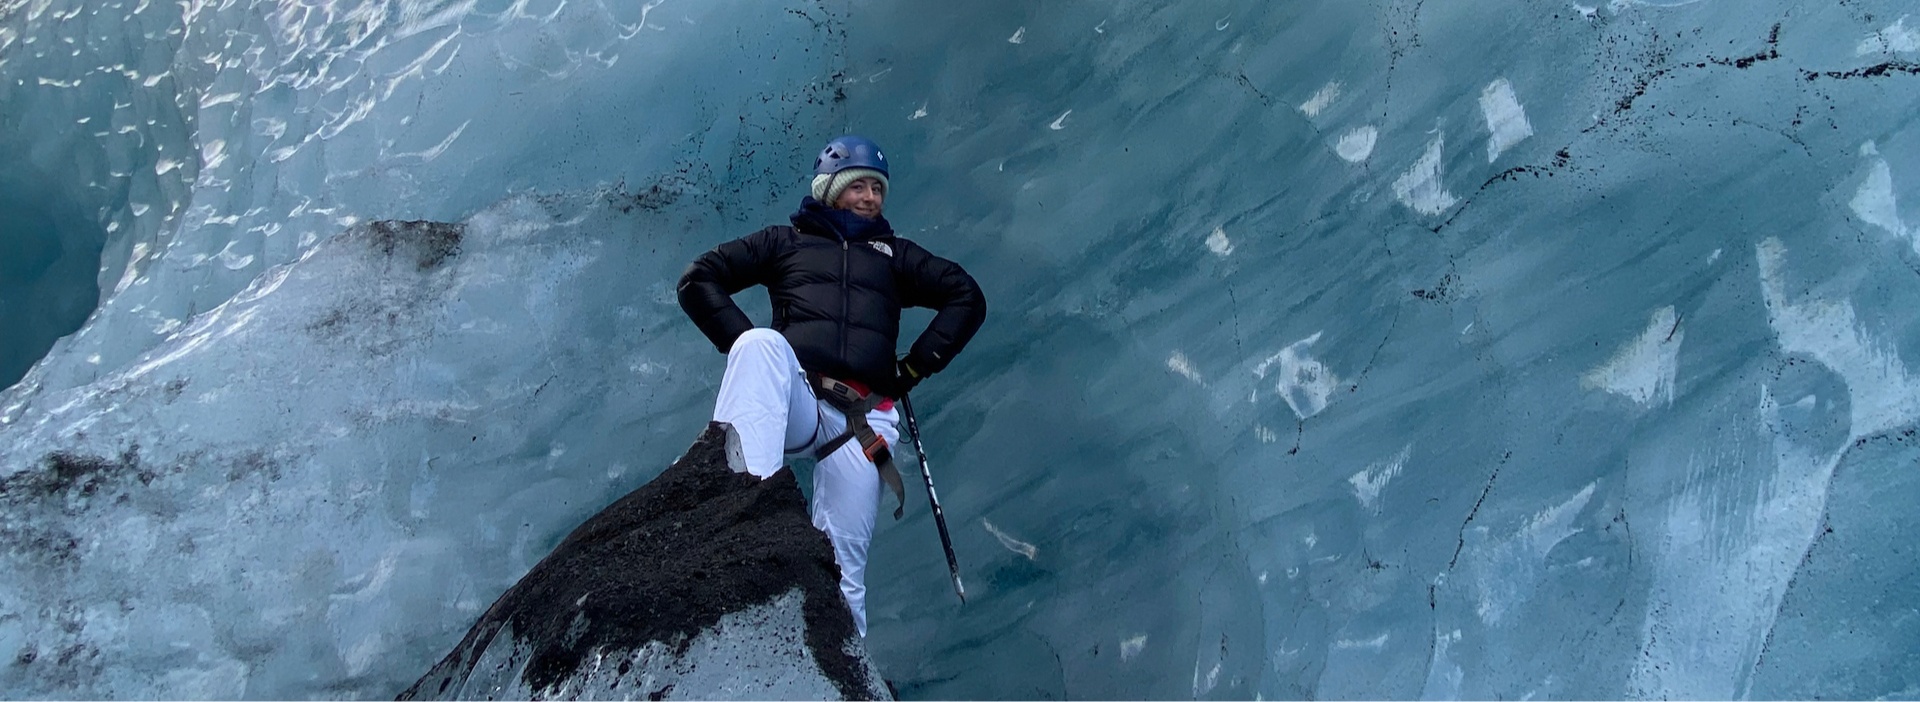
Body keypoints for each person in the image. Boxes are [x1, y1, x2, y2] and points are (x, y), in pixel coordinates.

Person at [676, 135, 987, 636]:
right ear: (829, 188)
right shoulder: (785, 242)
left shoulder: (895, 256)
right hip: (801, 400)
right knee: (760, 345)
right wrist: (747, 351)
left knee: (845, 572)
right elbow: (698, 279)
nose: (869, 198)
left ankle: (841, 673)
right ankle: (748, 504)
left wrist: (914, 367)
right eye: (858, 186)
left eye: (877, 190)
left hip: (865, 420)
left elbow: (966, 297)